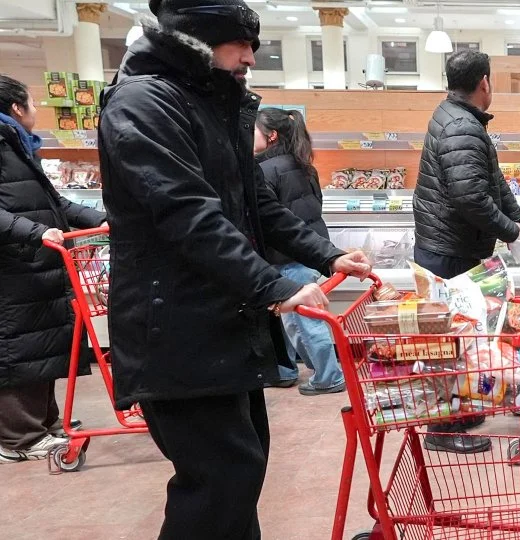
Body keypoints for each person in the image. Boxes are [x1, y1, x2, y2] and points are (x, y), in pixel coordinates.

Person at [98, 4, 370, 538]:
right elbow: (187, 213)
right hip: (173, 327)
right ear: (196, 40)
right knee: (219, 480)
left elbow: (258, 205)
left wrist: (327, 255)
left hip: (221, 321)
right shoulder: (144, 102)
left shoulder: (209, 103)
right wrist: (272, 285)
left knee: (240, 472)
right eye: (239, 44)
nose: (250, 56)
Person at [413, 49, 520, 454]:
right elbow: (472, 198)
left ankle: (457, 411)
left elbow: (491, 180)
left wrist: (515, 219)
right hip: (449, 251)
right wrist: (511, 232)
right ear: (485, 83)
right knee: (449, 342)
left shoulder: (456, 118)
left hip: (448, 246)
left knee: (459, 337)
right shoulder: (463, 126)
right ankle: (443, 429)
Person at [0, 75, 106, 463]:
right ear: (16, 108)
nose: (36, 110)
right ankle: (19, 438)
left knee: (39, 349)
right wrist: (36, 231)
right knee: (17, 352)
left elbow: (55, 203)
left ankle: (45, 425)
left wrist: (102, 218)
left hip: (32, 267)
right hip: (13, 268)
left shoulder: (17, 146)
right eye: (32, 102)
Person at [254, 107, 345, 395]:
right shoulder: (304, 165)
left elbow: (270, 221)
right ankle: (312, 371)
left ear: (271, 135)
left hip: (286, 258)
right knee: (306, 320)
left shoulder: (265, 171)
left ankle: (329, 377)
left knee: (302, 323)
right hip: (308, 253)